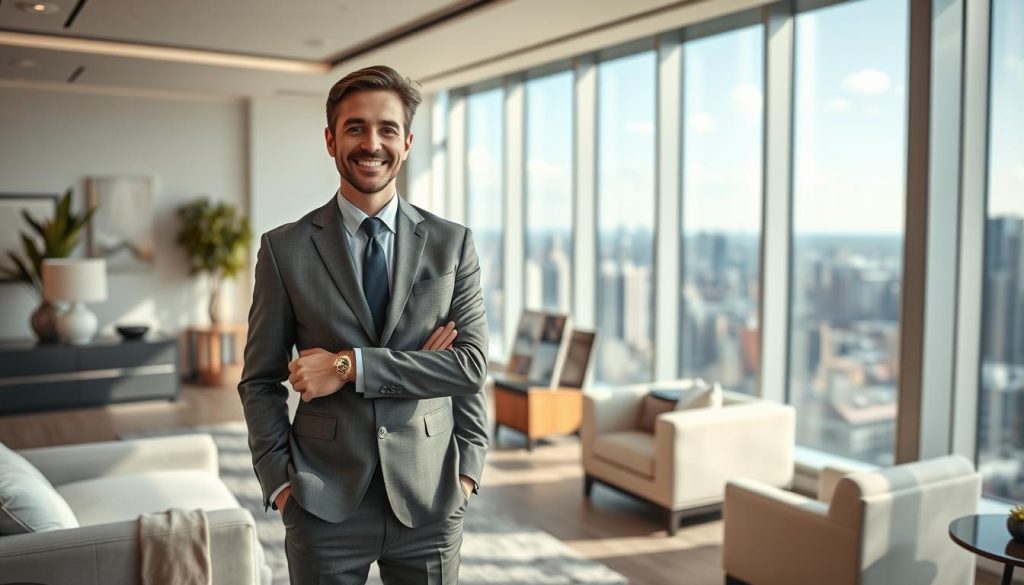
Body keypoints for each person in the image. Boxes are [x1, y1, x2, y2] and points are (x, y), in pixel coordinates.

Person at [238, 65, 489, 585]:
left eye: (387, 129)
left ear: (408, 141)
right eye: (355, 128)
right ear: (331, 140)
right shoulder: (283, 249)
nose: (371, 143)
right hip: (322, 500)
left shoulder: (451, 244)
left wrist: (347, 365)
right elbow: (260, 379)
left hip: (431, 497)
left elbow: (469, 368)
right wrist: (282, 485)